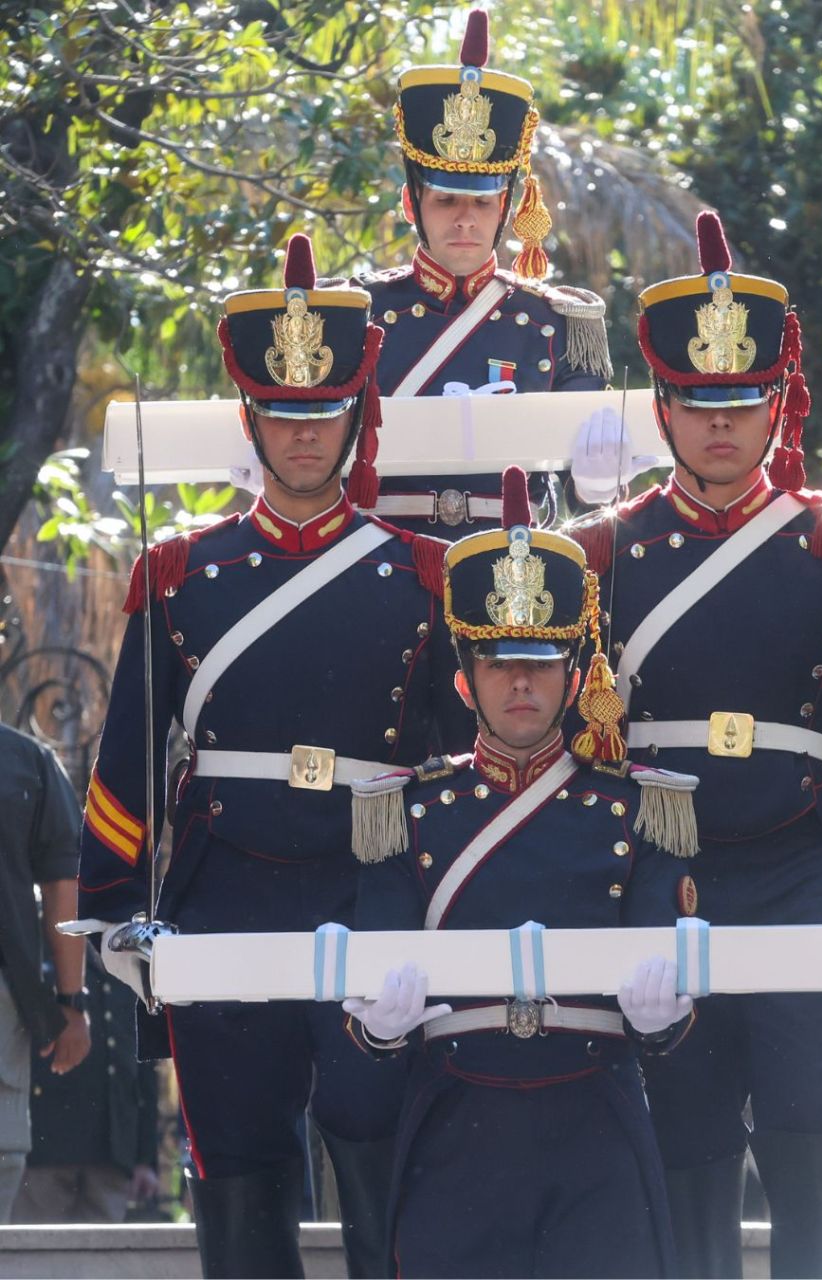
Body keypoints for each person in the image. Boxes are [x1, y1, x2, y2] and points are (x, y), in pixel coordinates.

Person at [567, 211, 822, 1279]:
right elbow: (556, 729)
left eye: (742, 401)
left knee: (810, 1137)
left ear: (775, 401)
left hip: (801, 872)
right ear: (665, 408)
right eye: (698, 404)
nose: (721, 426)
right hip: (661, 873)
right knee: (686, 1147)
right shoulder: (606, 553)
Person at [76, 232, 462, 1279]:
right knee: (238, 1173)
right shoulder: (180, 571)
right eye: (285, 415)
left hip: (371, 886)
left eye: (324, 412)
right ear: (254, 419)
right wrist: (114, 905)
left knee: (382, 1150)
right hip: (226, 886)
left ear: (354, 416)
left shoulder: (422, 575)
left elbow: (461, 764)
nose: (305, 435)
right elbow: (128, 761)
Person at [343, 467, 699, 1279]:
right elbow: (367, 1008)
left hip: (594, 1121)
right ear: (465, 681)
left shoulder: (639, 808)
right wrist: (379, 1024)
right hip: (459, 1121)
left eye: (541, 663)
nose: (522, 682)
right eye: (501, 665)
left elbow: (675, 1017)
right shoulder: (404, 812)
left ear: (577, 678)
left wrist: (663, 1019)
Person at [318, 8, 613, 535]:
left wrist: (597, 481)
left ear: (506, 209)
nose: (463, 219)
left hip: (510, 570)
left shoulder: (561, 320)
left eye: (481, 204)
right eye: (446, 200)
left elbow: (581, 499)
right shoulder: (350, 313)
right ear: (412, 205)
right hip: (377, 563)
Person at [0, 720, 90, 1221]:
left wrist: (71, 1002)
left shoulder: (26, 761)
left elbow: (63, 882)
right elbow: (62, 882)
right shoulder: (24, 761)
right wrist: (71, 1002)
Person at [11, 944, 159, 1224]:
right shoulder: (40, 942)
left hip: (113, 1152)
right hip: (44, 1150)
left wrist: (145, 1159)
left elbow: (142, 1069)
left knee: (106, 1263)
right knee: (40, 1261)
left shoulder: (131, 955)